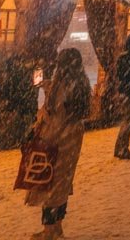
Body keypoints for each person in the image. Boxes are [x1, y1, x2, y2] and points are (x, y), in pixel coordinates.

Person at [24, 47, 92, 240]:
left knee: (48, 184)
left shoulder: (59, 86)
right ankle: (57, 228)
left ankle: (49, 231)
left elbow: (53, 114)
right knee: (62, 185)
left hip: (54, 139)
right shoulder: (81, 84)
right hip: (72, 140)